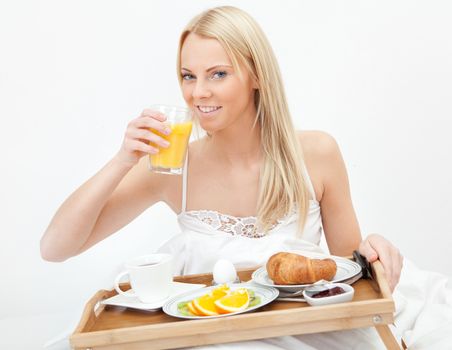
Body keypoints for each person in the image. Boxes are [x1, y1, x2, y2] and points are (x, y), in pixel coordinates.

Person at [42, 6, 452, 349]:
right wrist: (121, 160)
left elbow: (348, 274)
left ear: (256, 76)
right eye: (189, 75)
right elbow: (55, 248)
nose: (198, 92)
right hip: (213, 334)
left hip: (307, 331)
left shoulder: (317, 153)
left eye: (217, 74)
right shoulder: (171, 167)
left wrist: (372, 252)